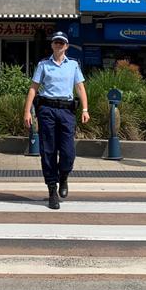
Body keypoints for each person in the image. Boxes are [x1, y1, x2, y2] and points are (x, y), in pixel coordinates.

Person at [23, 32, 89, 209]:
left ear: (66, 46)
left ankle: (64, 176)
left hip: (66, 110)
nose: (59, 45)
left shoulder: (73, 65)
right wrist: (27, 111)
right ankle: (52, 189)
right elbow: (33, 88)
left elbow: (80, 87)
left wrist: (85, 109)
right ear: (52, 45)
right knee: (48, 151)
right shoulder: (43, 64)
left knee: (68, 152)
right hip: (47, 110)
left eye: (62, 43)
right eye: (56, 42)